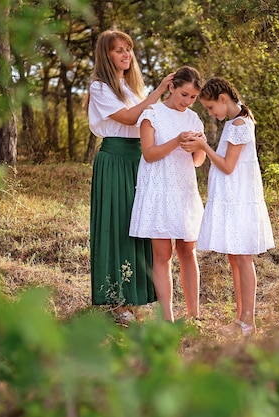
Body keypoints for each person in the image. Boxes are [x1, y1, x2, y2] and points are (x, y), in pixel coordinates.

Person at [88, 29, 174, 322]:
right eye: (118, 50)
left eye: (128, 49)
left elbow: (148, 119)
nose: (126, 55)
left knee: (141, 224)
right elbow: (128, 118)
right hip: (115, 159)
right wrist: (159, 91)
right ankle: (117, 300)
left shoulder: (133, 89)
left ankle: (136, 297)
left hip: (140, 158)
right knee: (119, 223)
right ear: (106, 54)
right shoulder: (100, 88)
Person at [189, 77, 275, 337]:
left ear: (223, 99)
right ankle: (241, 319)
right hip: (232, 198)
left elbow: (227, 166)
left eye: (211, 108)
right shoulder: (234, 123)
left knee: (243, 258)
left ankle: (248, 321)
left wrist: (204, 146)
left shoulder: (239, 125)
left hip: (239, 200)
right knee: (235, 258)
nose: (211, 113)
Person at [129, 66, 207, 322]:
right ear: (172, 87)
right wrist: (176, 141)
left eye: (193, 97)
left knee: (188, 250)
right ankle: (167, 318)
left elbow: (198, 162)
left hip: (184, 188)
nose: (187, 101)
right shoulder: (152, 113)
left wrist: (198, 147)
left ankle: (194, 315)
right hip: (158, 189)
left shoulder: (194, 119)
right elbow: (149, 155)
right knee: (162, 255)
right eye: (184, 94)